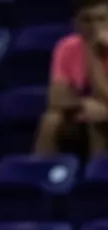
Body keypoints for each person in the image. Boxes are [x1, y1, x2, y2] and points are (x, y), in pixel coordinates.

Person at [34, 0, 108, 158]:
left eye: (102, 19)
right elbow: (56, 97)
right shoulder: (66, 47)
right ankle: (36, 172)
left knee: (97, 119)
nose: (94, 26)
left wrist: (93, 55)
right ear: (76, 24)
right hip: (83, 112)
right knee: (51, 120)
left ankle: (97, 175)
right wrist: (83, 103)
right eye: (87, 20)